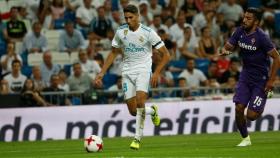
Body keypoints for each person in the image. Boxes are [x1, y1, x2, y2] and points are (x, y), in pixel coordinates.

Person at [94, 4, 170, 150]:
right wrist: (102, 72)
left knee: (141, 101)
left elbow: (166, 55)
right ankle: (152, 111)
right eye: (126, 18)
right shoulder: (121, 31)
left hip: (143, 70)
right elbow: (113, 52)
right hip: (127, 72)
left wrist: (156, 72)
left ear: (138, 16)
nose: (128, 20)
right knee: (133, 111)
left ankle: (137, 139)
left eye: (131, 17)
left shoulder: (148, 33)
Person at [219, 8, 280, 147]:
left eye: (248, 18)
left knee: (251, 116)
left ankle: (265, 96)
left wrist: (271, 81)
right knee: (239, 108)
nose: (244, 20)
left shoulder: (262, 37)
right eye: (244, 17)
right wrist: (225, 51)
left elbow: (277, 58)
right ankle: (245, 139)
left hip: (261, 79)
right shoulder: (239, 31)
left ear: (256, 22)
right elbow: (229, 46)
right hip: (245, 75)